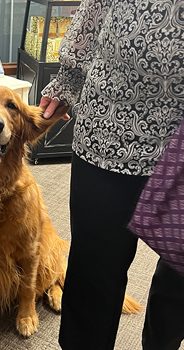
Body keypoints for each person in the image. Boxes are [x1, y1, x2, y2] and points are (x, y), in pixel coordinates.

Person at [39, 0, 184, 349]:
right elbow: (93, 14)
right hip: (111, 125)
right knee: (95, 267)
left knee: (181, 272)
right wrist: (68, 80)